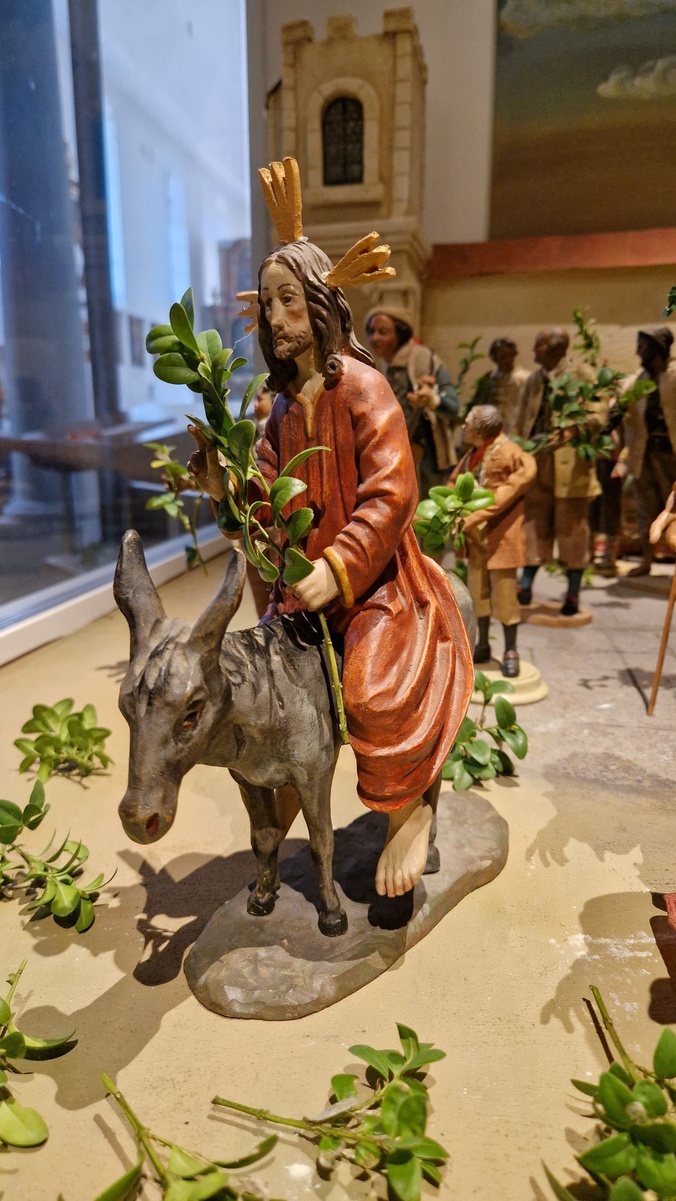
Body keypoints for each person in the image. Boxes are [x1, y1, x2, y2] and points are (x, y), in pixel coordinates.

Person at [187, 158, 473, 901]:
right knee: (264, 691)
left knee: (372, 689)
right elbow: (267, 503)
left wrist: (340, 567)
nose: (275, 317)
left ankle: (411, 812)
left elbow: (393, 492)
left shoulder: (364, 387)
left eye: (288, 299)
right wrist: (227, 490)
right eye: (267, 303)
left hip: (375, 585)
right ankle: (284, 796)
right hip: (303, 592)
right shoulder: (282, 410)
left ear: (320, 302)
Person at [514, 328, 604, 616]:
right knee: (534, 522)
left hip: (571, 466)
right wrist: (517, 451)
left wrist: (572, 430)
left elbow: (598, 413)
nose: (534, 351)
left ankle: (573, 593)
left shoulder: (582, 375)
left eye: (539, 345)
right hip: (537, 461)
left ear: (555, 349)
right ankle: (525, 585)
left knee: (572, 528)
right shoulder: (534, 380)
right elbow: (520, 419)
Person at [450, 405, 536, 677]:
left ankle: (511, 650)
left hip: (501, 536)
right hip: (476, 539)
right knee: (478, 593)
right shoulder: (471, 455)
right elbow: (453, 484)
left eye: (468, 424)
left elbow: (510, 490)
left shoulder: (511, 453)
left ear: (479, 429)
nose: (464, 428)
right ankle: (483, 644)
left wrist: (473, 516)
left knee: (505, 595)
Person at [365, 307, 459, 500]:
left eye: (383, 332)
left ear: (399, 334)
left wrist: (431, 400)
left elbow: (453, 407)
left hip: (426, 456)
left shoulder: (424, 360)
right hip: (394, 454)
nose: (375, 338)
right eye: (372, 332)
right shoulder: (383, 367)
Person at [612, 326, 676, 576]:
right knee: (645, 509)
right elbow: (621, 415)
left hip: (671, 455)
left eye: (644, 345)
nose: (638, 351)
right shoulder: (634, 382)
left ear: (658, 348)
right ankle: (646, 560)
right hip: (644, 455)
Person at [480, 338, 530, 435]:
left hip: (515, 427)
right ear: (494, 358)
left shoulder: (524, 378)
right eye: (502, 357)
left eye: (510, 356)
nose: (507, 360)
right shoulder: (490, 378)